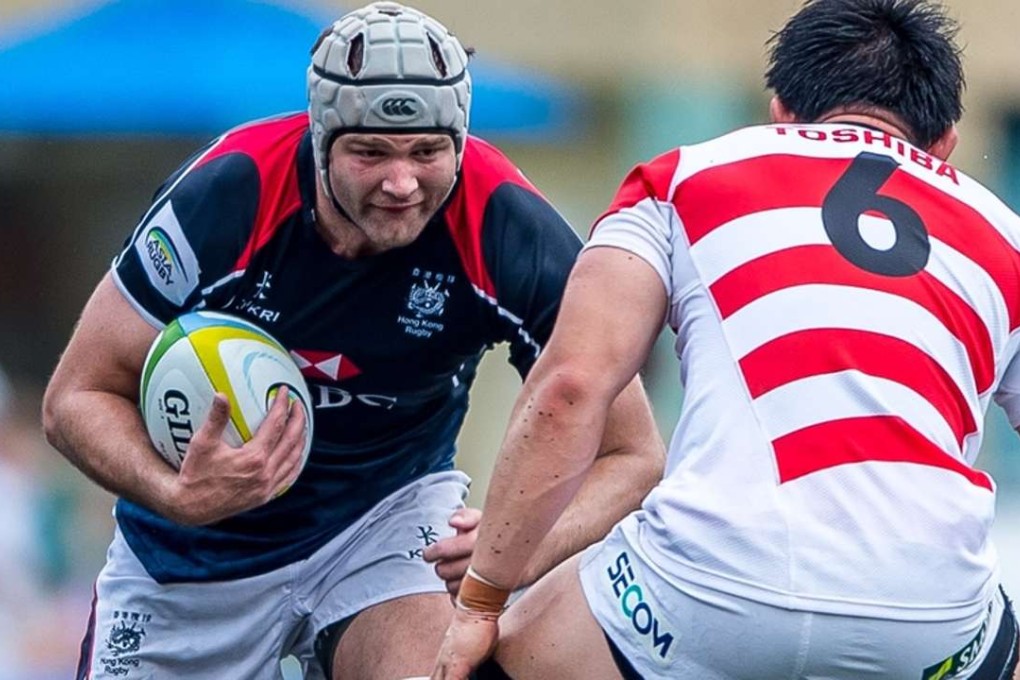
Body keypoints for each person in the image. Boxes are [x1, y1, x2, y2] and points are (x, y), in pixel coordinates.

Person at [40, 3, 664, 678]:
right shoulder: (231, 193)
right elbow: (74, 398)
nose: (402, 182)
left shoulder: (505, 225)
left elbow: (633, 455)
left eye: (428, 152)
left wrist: (515, 549)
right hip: (192, 548)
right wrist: (176, 494)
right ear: (320, 139)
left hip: (385, 523)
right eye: (371, 152)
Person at [431, 0, 1020, 678]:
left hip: (703, 593)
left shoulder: (680, 178)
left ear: (779, 110)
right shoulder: (1004, 235)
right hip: (928, 619)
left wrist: (481, 603)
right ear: (945, 141)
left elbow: (570, 388)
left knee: (506, 652)